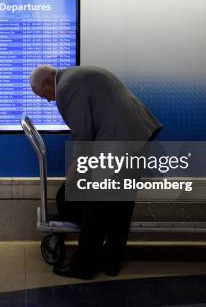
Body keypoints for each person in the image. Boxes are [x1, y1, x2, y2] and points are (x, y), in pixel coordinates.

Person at [30, 65, 162, 279]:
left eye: (42, 94)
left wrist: (76, 169)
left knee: (95, 200)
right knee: (121, 203)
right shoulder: (76, 76)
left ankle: (84, 265)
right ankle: (111, 261)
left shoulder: (66, 87)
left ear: (47, 83)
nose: (47, 100)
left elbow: (83, 135)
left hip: (120, 142)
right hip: (138, 134)